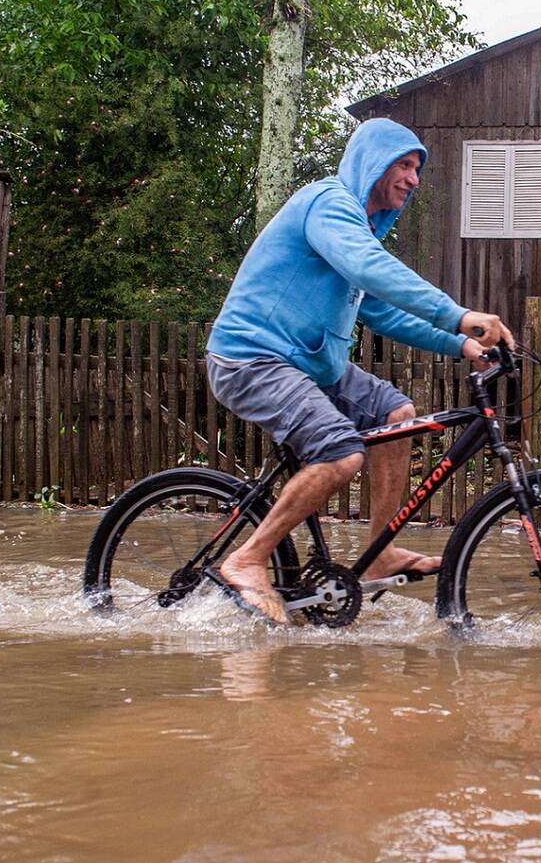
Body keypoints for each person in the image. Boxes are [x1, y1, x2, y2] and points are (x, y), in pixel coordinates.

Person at [205, 118, 512, 623]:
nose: (414, 179)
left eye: (418, 170)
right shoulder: (329, 206)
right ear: (373, 162)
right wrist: (458, 314)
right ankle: (247, 559)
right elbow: (371, 268)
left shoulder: (358, 229)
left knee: (398, 415)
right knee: (342, 453)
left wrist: (461, 344)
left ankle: (379, 553)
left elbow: (383, 312)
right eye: (405, 165)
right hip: (252, 357)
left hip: (310, 363)